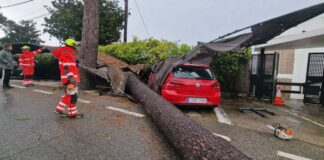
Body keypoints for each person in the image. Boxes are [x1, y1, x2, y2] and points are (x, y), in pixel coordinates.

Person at [53, 39, 83, 118]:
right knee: (72, 96)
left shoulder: (67, 53)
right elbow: (65, 67)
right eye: (75, 47)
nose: (75, 49)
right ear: (72, 46)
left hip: (69, 79)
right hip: (70, 79)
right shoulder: (66, 53)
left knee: (71, 95)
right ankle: (70, 113)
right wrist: (71, 77)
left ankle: (67, 111)